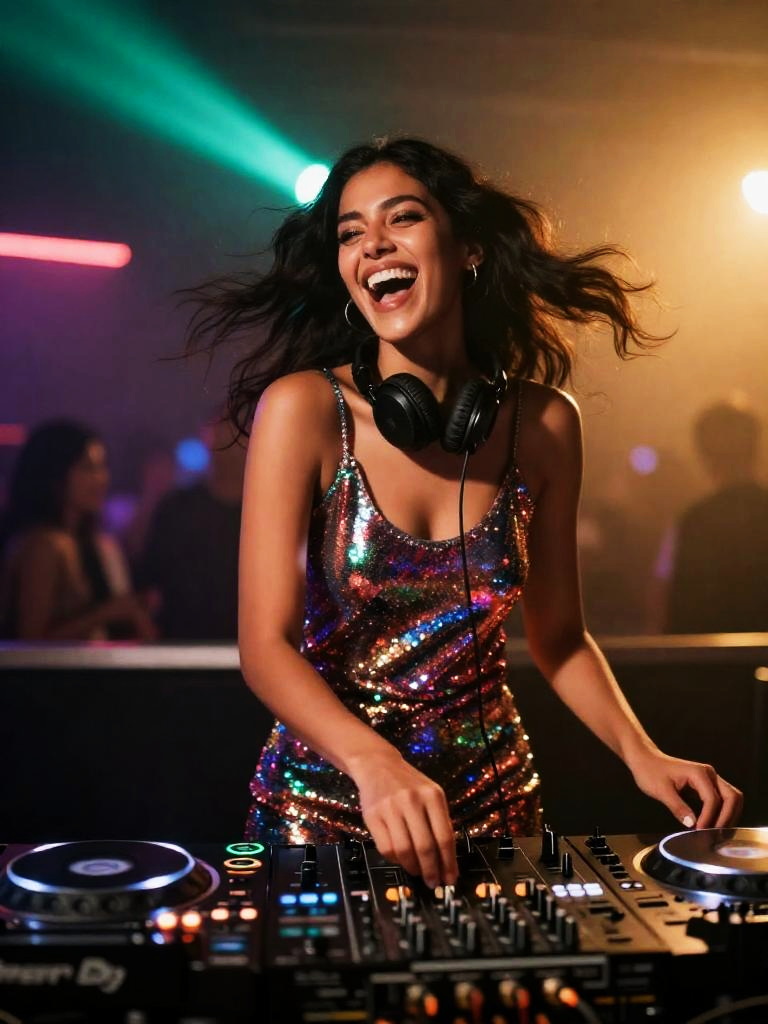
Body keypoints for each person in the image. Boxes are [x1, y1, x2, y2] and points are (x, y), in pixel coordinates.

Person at [185, 137, 742, 889]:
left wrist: (642, 753)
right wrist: (375, 764)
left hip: (493, 806)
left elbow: (560, 637)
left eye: (402, 218)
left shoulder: (542, 424)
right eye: (351, 232)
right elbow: (265, 645)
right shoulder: (305, 409)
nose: (372, 243)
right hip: (324, 807)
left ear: (469, 246)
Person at [0, 420, 157, 641]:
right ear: (55, 474)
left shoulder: (83, 541)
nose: (102, 478)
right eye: (88, 468)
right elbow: (30, 641)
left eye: (103, 467)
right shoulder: (44, 545)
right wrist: (106, 613)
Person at [137, 414, 246, 639]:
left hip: (250, 650)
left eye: (239, 428)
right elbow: (147, 579)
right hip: (180, 649)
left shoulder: (270, 511)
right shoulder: (176, 508)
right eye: (222, 428)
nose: (230, 439)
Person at [665, 398, 768, 633]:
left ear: (704, 453)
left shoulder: (695, 522)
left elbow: (679, 607)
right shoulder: (694, 521)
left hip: (710, 661)